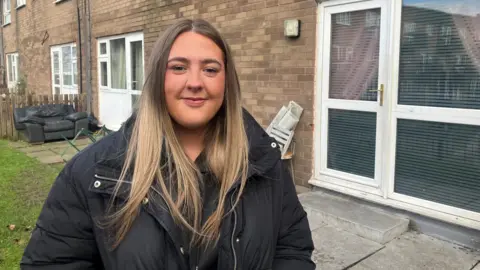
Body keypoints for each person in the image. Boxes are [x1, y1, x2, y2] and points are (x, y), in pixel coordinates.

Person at [20, 19, 315, 270]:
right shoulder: (93, 174)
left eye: (211, 69)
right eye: (178, 67)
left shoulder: (263, 162)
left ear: (227, 83)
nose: (196, 82)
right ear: (157, 78)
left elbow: (292, 250)